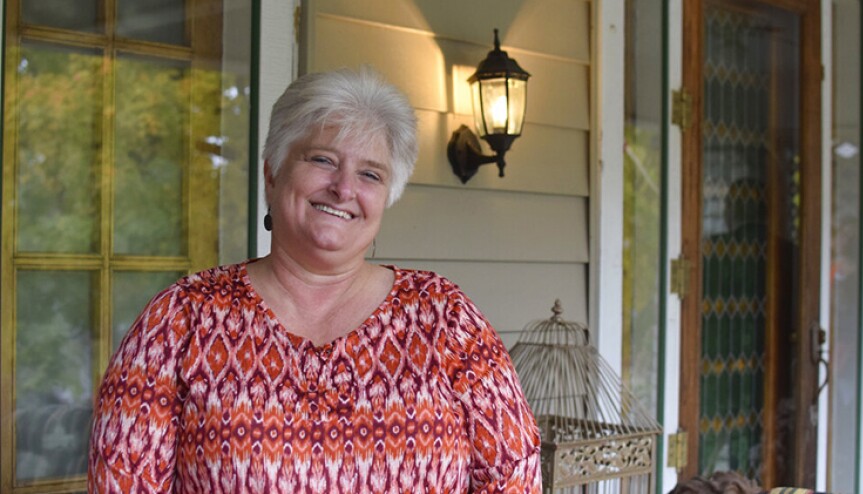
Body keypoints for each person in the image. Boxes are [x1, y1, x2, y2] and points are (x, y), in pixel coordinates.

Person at [88, 66, 542, 493]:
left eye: (370, 173)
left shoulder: (445, 318)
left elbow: (514, 477)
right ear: (272, 172)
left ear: (387, 196)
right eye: (323, 159)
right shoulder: (181, 320)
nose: (344, 188)